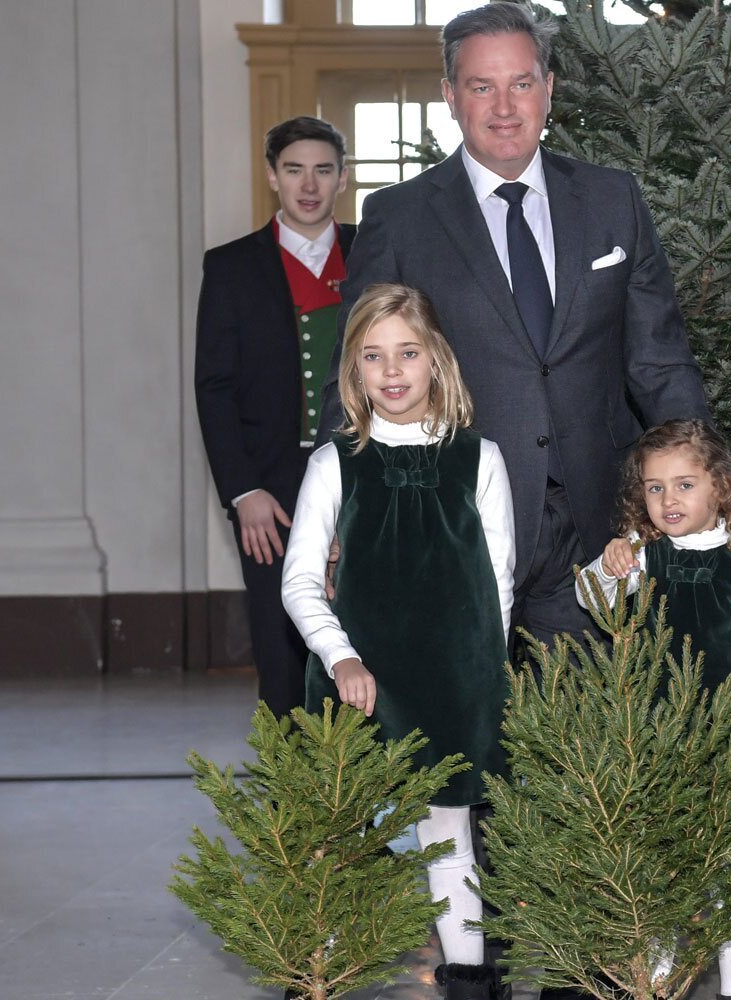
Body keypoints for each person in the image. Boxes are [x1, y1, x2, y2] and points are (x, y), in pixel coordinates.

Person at [319, 1, 709, 653]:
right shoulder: (400, 218)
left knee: (591, 741)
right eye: (482, 86)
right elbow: (353, 378)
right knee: (465, 740)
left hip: (595, 532)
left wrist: (707, 484)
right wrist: (339, 512)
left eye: (521, 83)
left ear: (548, 88)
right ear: (450, 96)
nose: (505, 107)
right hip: (453, 523)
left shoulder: (614, 199)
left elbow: (660, 363)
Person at [281, 284, 515, 1000]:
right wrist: (341, 656)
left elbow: (498, 583)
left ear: (436, 361)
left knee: (449, 833)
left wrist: (481, 679)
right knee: (340, 832)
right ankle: (319, 972)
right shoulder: (333, 465)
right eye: (373, 356)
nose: (391, 371)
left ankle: (470, 978)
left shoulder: (481, 459)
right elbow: (298, 583)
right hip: (359, 679)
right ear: (352, 372)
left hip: (451, 683)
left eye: (407, 353)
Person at [578, 418, 731, 1000]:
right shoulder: (642, 555)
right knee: (656, 868)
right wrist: (608, 569)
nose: (668, 499)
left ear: (721, 491)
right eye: (655, 488)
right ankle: (654, 984)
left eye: (684, 485)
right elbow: (592, 600)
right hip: (655, 739)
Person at [195, 115, 354, 717]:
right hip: (271, 490)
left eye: (322, 170)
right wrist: (242, 491)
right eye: (294, 170)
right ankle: (294, 802)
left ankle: (366, 798)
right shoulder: (231, 265)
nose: (308, 185)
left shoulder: (371, 251)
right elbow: (213, 387)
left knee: (363, 632)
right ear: (272, 177)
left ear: (343, 178)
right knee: (281, 640)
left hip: (362, 474)